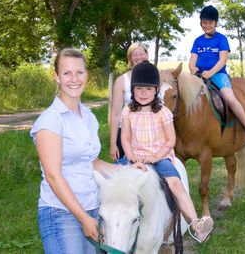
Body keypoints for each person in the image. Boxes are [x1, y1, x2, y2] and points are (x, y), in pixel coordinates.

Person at [30, 48, 145, 254]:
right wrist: (83, 217)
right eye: (67, 73)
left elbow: (93, 163)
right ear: (56, 77)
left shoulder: (89, 117)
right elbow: (53, 176)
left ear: (86, 75)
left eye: (79, 72)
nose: (74, 79)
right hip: (61, 214)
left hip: (93, 207)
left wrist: (127, 170)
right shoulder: (50, 120)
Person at [121, 60, 214, 243]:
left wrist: (157, 156)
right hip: (135, 156)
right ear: (132, 90)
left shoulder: (163, 112)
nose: (143, 93)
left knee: (175, 184)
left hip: (160, 156)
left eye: (148, 89)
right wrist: (131, 157)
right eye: (139, 89)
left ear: (156, 90)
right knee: (112, 179)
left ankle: (196, 225)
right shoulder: (128, 111)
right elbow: (125, 138)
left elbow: (170, 140)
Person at [188, 5, 245, 145]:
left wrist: (210, 73)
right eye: (204, 22)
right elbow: (192, 60)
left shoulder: (222, 39)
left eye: (210, 22)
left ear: (215, 23)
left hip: (218, 75)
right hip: (199, 76)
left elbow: (223, 60)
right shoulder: (197, 41)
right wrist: (192, 68)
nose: (207, 25)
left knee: (230, 99)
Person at [109, 43, 149, 165]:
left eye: (141, 53)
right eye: (134, 55)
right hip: (126, 131)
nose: (138, 57)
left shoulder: (155, 76)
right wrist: (113, 143)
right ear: (130, 58)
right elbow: (115, 114)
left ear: (147, 55)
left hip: (149, 131)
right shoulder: (122, 81)